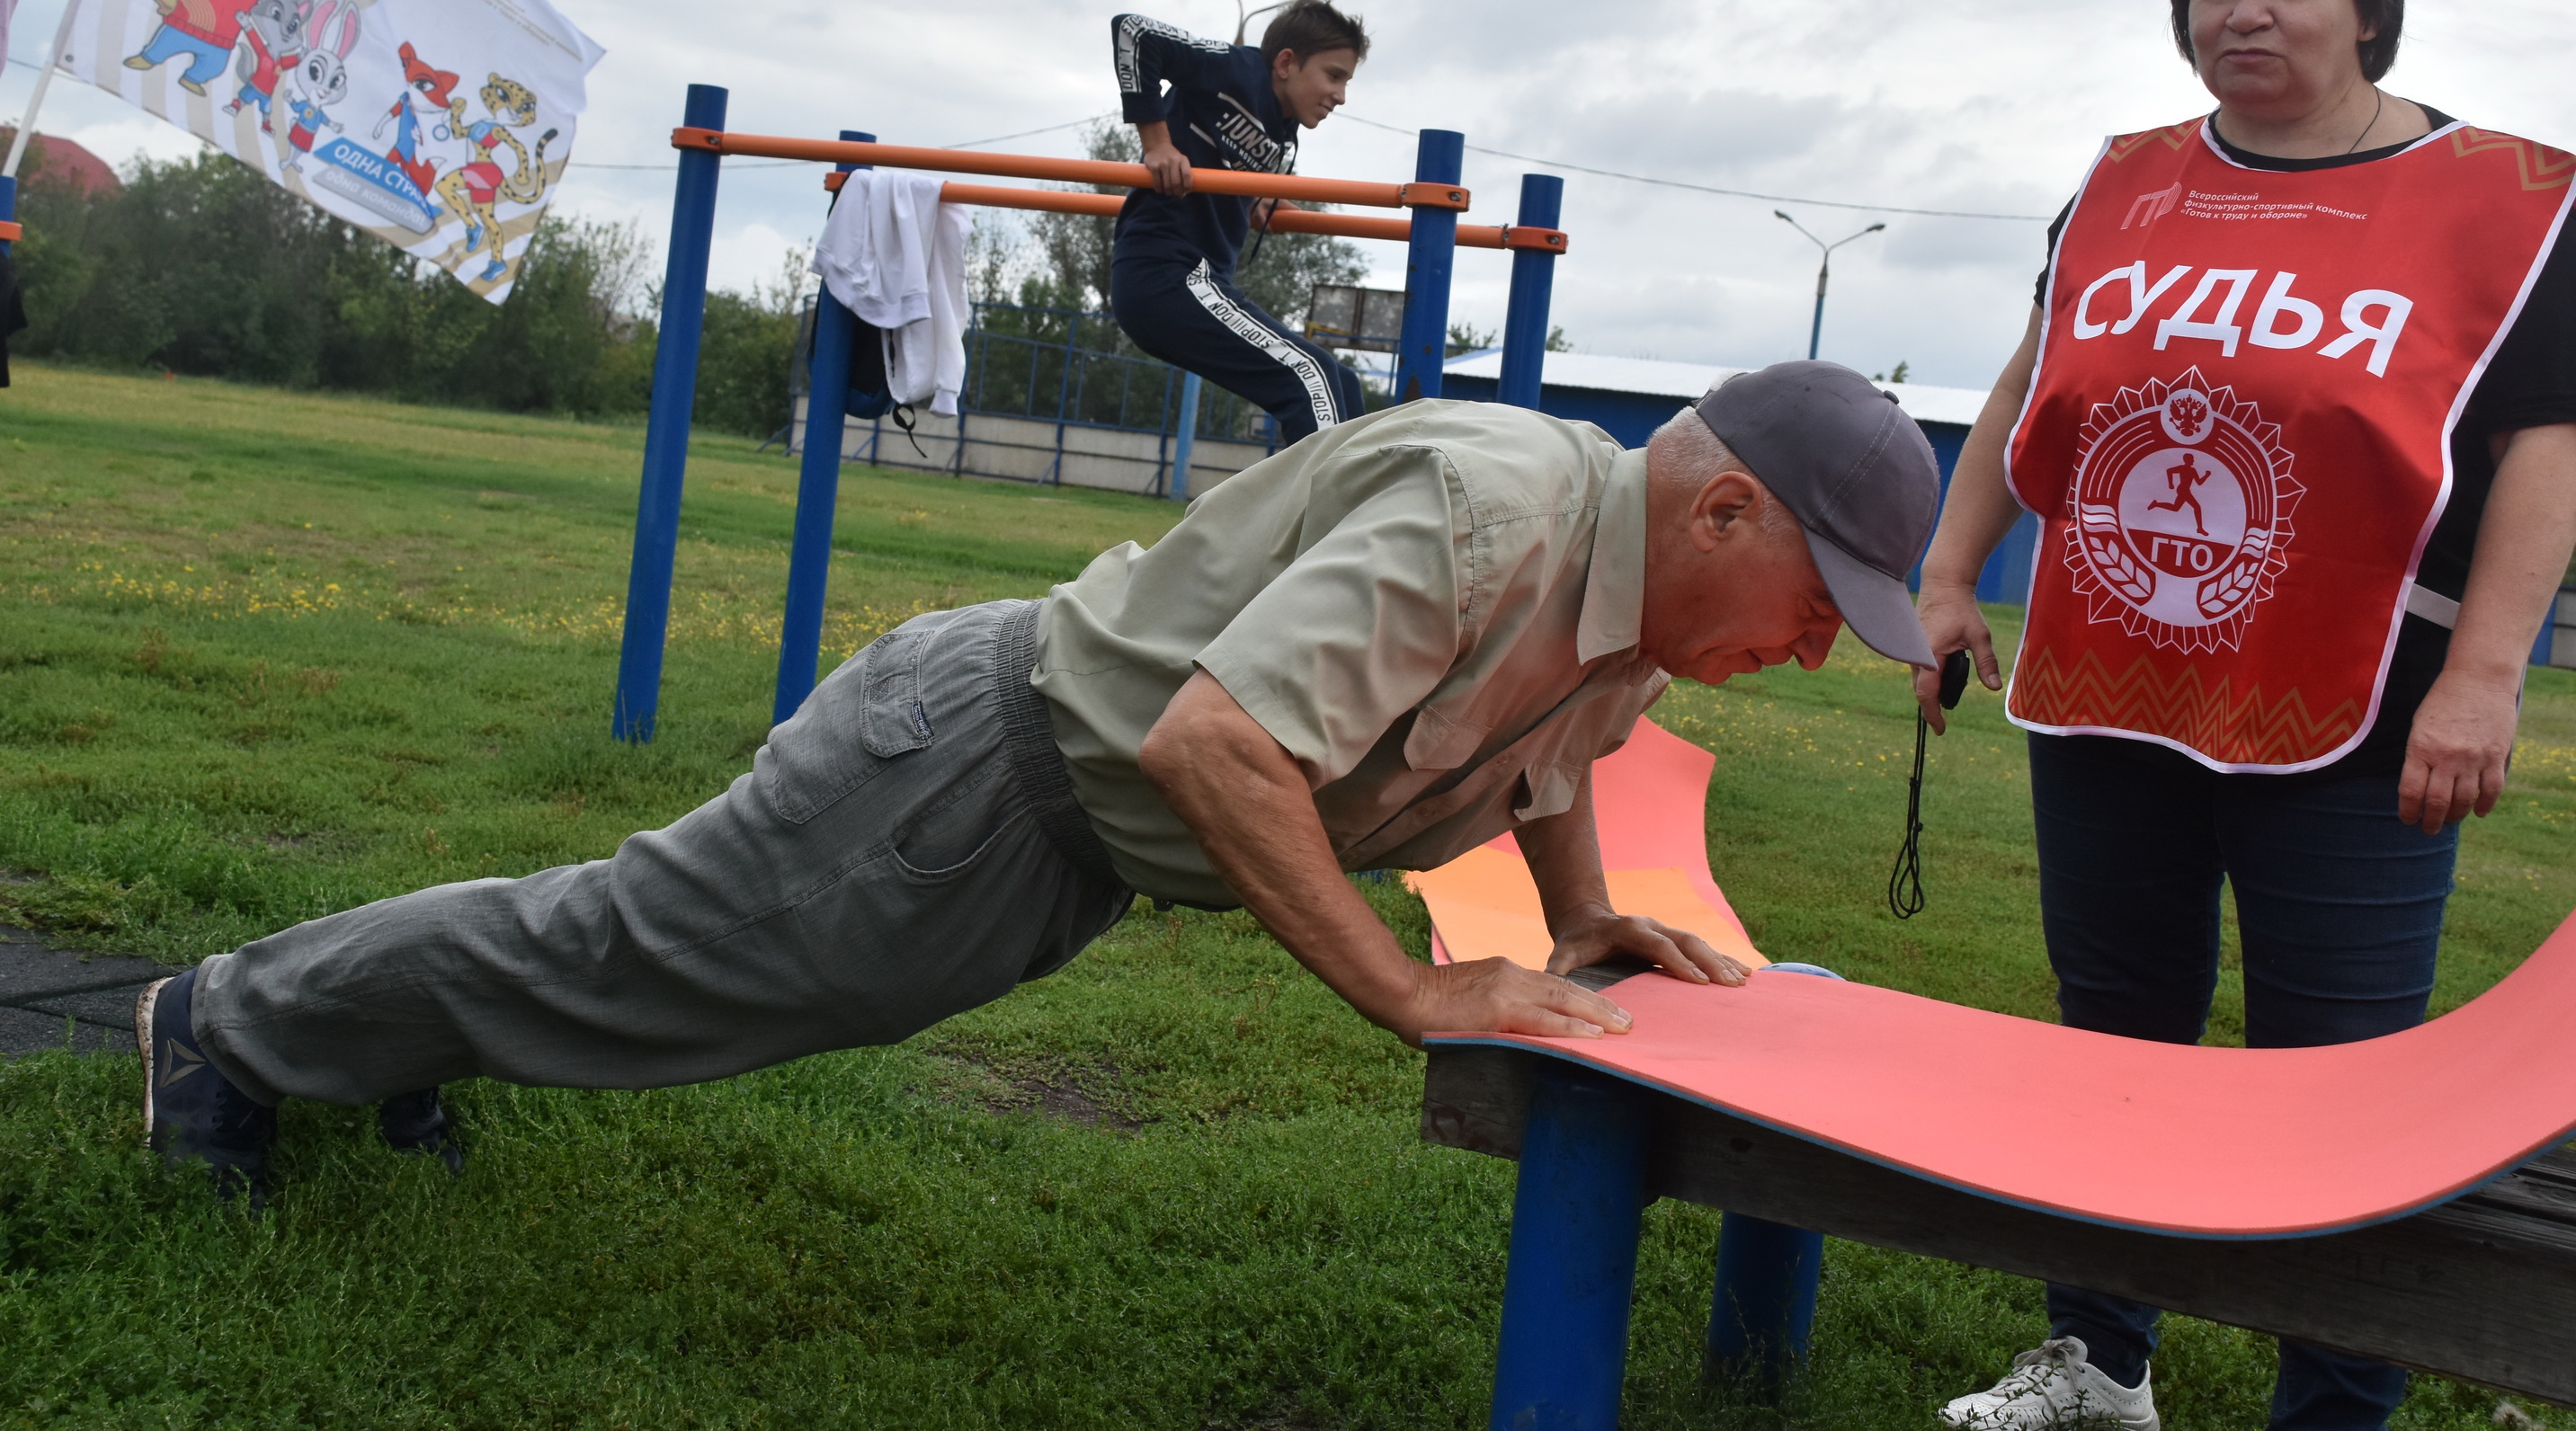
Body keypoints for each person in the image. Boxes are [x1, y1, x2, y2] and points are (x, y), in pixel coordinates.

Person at [139, 362, 1943, 1202]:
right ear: (1722, 509)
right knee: (634, 950)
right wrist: (1411, 983)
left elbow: (1550, 757)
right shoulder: (1490, 521)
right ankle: (227, 1026)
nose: (1808, 652)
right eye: (1815, 603)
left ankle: (371, 1049)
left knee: (656, 972)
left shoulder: (1629, 622)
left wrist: (1583, 919)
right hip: (974, 769)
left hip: (1049, 832)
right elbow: (1217, 744)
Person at [1921, 0, 2576, 1431]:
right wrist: (1951, 571)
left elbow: (2555, 447)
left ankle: (2334, 1406)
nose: (2247, 11)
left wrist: (2487, 681)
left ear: (2365, 5)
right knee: (2115, 1044)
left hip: (2367, 714)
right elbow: (2032, 385)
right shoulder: (2119, 179)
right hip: (2109, 692)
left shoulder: (2513, 202)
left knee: (2350, 1087)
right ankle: (2098, 1360)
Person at [1106, 0, 1369, 447]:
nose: (1341, 95)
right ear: (1286, 63)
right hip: (1163, 271)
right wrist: (1157, 143)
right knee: (1310, 376)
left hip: (1200, 279)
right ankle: (1332, 516)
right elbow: (1134, 32)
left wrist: (1254, 195)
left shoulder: (1284, 129)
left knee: (1342, 383)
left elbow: (1220, 155)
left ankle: (1349, 503)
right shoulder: (1236, 69)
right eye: (1334, 75)